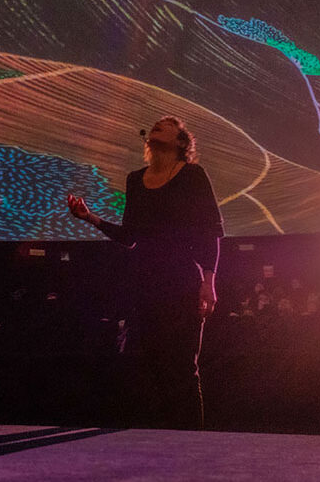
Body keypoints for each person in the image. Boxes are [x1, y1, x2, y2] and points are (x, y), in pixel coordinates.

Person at [67, 115, 224, 429]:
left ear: (181, 142)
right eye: (154, 124)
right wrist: (90, 218)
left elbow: (212, 231)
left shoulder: (193, 175)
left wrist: (209, 281)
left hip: (181, 280)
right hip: (145, 282)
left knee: (182, 366)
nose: (156, 125)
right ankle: (160, 440)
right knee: (151, 364)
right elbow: (131, 236)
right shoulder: (135, 179)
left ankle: (191, 441)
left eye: (166, 125)